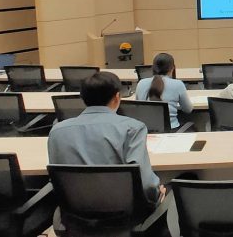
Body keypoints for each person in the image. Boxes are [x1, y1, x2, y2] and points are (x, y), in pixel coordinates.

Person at [49, 71, 164, 204]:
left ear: (83, 98)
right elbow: (146, 184)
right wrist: (157, 193)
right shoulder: (133, 128)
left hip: (75, 211)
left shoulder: (57, 131)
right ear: (117, 97)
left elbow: (56, 180)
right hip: (124, 211)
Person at [136, 52, 192, 129]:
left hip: (146, 130)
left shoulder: (141, 83)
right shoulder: (178, 84)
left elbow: (138, 108)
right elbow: (188, 109)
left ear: (153, 68)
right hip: (171, 130)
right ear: (172, 68)